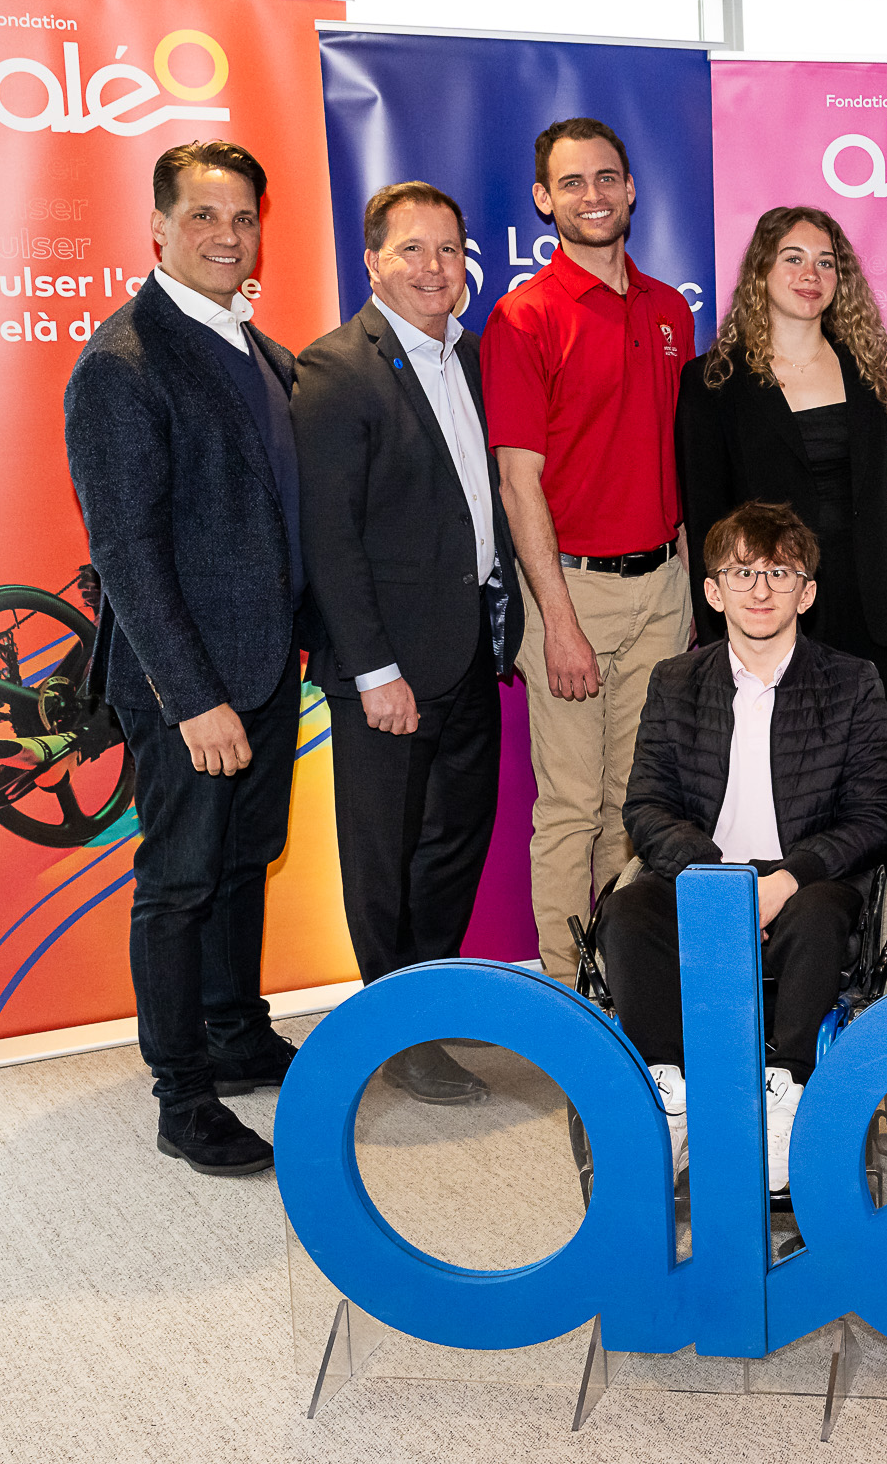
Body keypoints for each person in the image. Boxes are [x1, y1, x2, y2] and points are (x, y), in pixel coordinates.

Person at [62, 141, 306, 1176]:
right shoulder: (123, 364)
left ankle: (233, 1029)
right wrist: (194, 698)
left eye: (242, 217)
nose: (226, 236)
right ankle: (182, 1092)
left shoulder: (263, 350)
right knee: (177, 882)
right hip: (189, 689)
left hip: (264, 672)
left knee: (242, 864)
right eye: (203, 216)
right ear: (157, 228)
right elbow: (124, 551)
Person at [291, 181, 523, 1105]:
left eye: (448, 250)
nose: (435, 268)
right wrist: (375, 670)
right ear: (373, 260)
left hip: (470, 649)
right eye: (413, 250)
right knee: (383, 855)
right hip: (388, 666)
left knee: (454, 841)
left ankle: (427, 1010)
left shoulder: (470, 356)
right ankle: (393, 1032)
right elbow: (331, 540)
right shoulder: (338, 368)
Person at [595, 502, 887, 1197]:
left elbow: (875, 817)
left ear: (807, 591)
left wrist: (788, 878)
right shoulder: (674, 682)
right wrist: (715, 876)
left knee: (822, 914)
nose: (760, 589)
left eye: (779, 573)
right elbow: (644, 806)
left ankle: (785, 1090)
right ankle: (669, 1091)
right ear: (713, 589)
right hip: (702, 871)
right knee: (627, 908)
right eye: (743, 572)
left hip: (806, 879)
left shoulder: (851, 683)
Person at [484, 117, 695, 985]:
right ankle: (570, 1002)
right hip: (571, 592)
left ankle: (625, 985)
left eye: (607, 178)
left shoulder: (670, 311)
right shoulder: (524, 318)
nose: (593, 195)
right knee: (571, 807)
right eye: (572, 183)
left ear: (633, 188)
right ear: (544, 200)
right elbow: (518, 485)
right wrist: (558, 624)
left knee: (634, 807)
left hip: (664, 587)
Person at [678, 206, 887, 735]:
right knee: (782, 786)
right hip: (767, 612)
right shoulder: (712, 382)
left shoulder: (871, 372)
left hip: (871, 615)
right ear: (761, 269)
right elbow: (705, 518)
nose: (812, 275)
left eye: (826, 263)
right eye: (794, 259)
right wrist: (722, 632)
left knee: (865, 788)